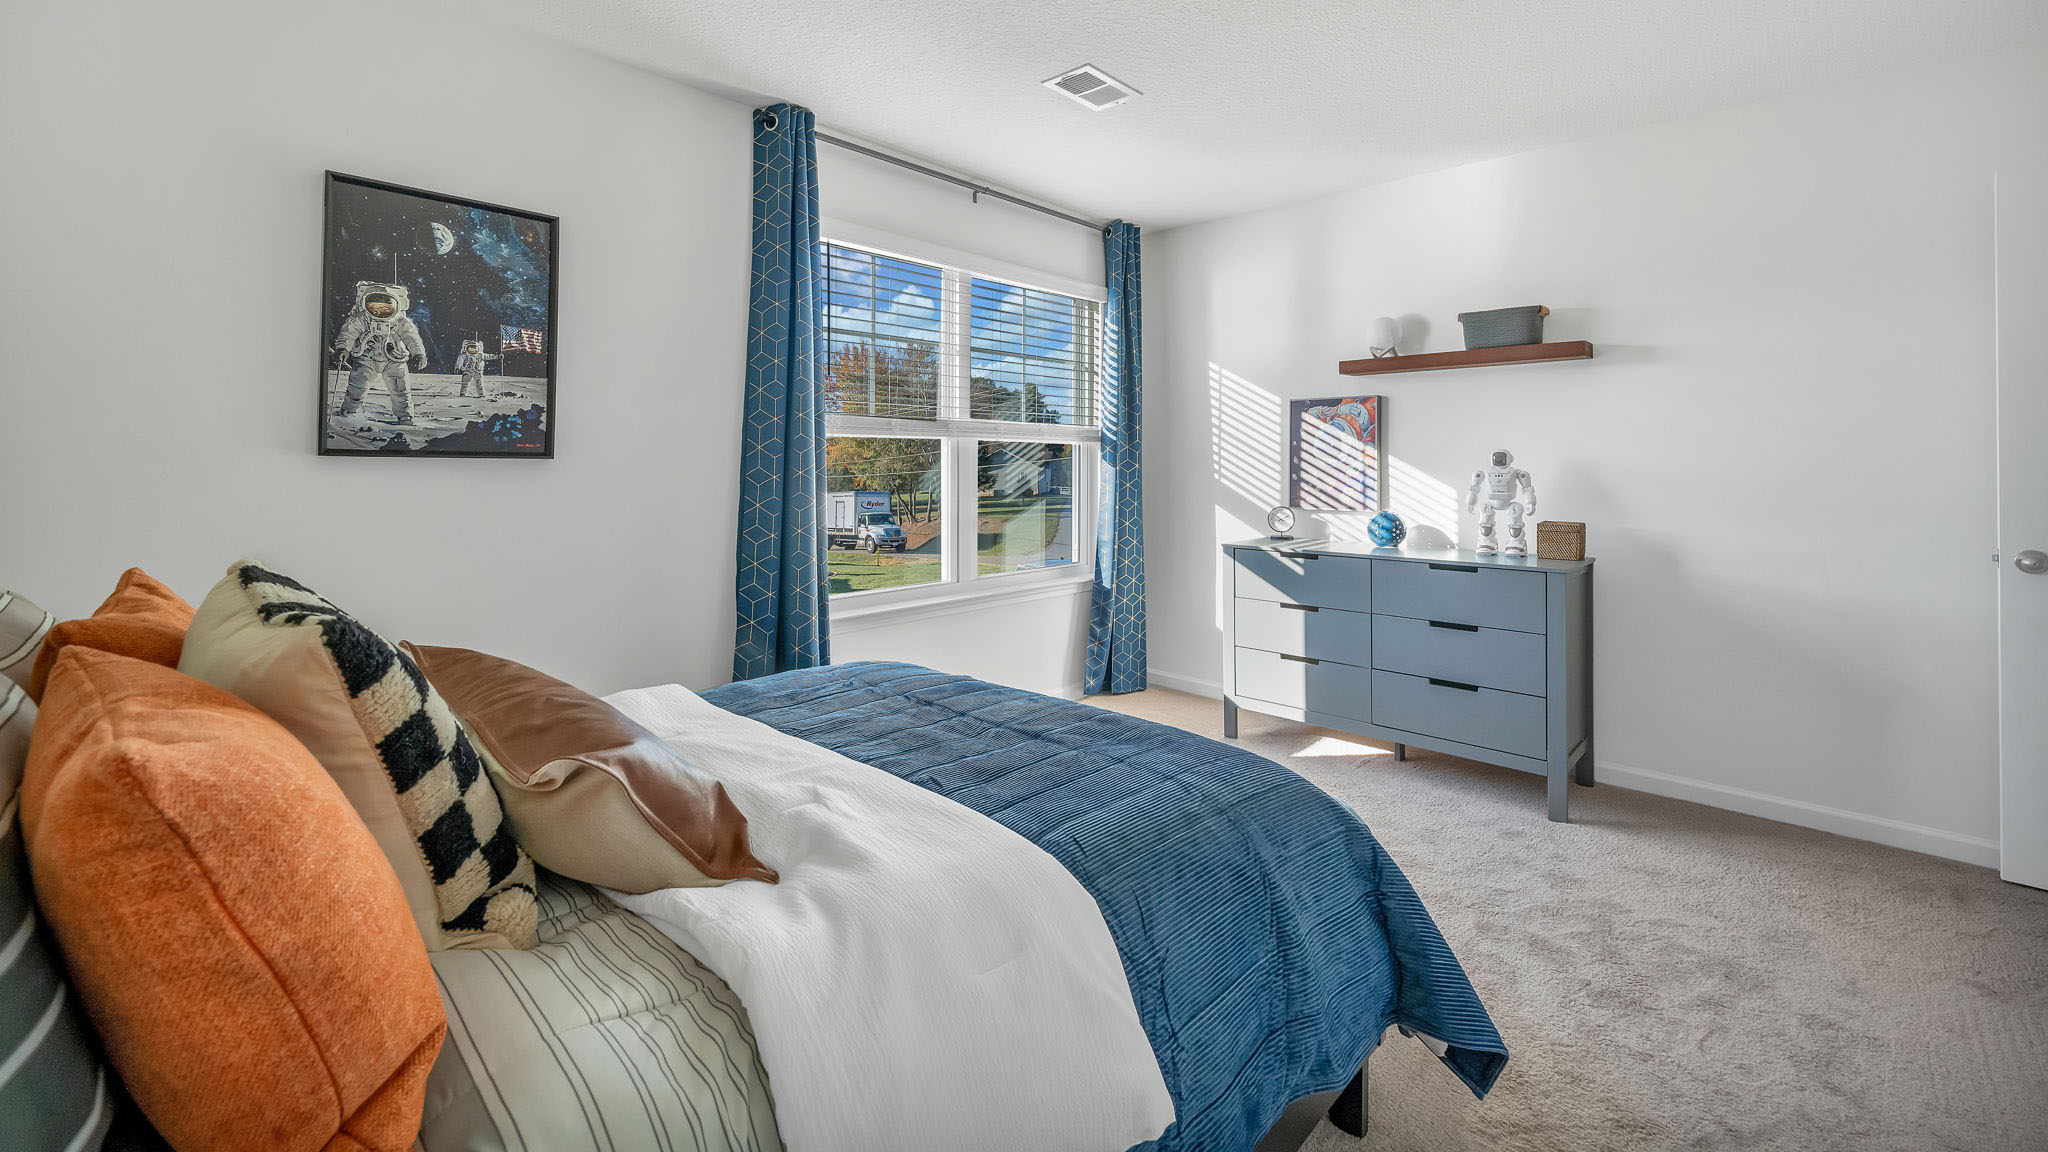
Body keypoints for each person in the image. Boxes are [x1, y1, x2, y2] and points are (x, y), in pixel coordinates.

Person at [331, 281, 427, 423]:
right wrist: (342, 349)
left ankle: (405, 415)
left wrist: (419, 354)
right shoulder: (361, 319)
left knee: (400, 389)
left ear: (397, 305)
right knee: (357, 386)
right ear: (365, 304)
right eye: (374, 307)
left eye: (385, 308)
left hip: (394, 360)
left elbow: (412, 338)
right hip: (366, 358)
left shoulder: (401, 322)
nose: (379, 312)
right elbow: (348, 334)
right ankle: (349, 411)